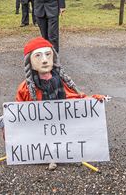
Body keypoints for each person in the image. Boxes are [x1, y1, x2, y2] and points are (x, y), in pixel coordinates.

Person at [11, 37, 105, 171]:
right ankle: (46, 153)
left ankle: (63, 151)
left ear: (54, 58)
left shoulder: (62, 81)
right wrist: (8, 123)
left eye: (48, 54)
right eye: (38, 56)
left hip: (62, 129)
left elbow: (74, 99)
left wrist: (92, 101)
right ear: (30, 63)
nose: (44, 60)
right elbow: (19, 111)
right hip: (38, 132)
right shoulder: (25, 88)